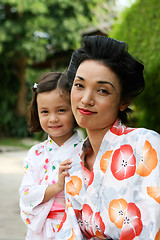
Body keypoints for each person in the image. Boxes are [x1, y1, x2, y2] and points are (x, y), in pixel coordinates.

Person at [57, 36, 160, 240]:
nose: (86, 99)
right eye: (79, 85)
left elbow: (152, 228)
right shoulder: (73, 166)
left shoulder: (145, 145)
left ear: (124, 101)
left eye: (102, 90)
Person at [19, 72, 83, 240]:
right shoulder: (36, 153)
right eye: (45, 112)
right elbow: (26, 194)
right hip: (41, 230)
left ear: (75, 108)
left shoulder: (86, 149)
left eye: (61, 110)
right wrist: (57, 187)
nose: (53, 118)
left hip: (74, 227)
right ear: (36, 112)